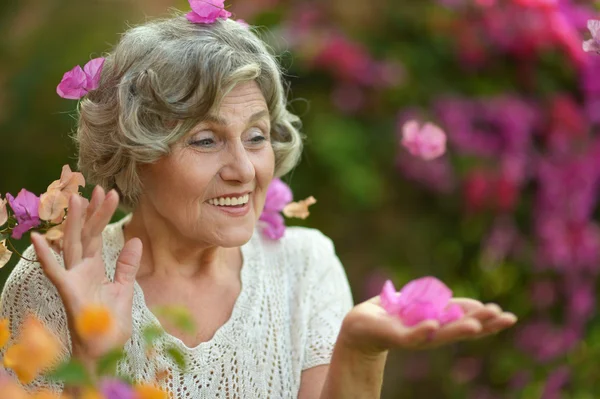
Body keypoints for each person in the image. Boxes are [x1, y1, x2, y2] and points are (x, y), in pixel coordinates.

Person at [0, 10, 516, 399]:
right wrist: (92, 358)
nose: (245, 170)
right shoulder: (55, 279)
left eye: (256, 136)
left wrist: (359, 347)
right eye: (205, 140)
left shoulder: (305, 266)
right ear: (136, 153)